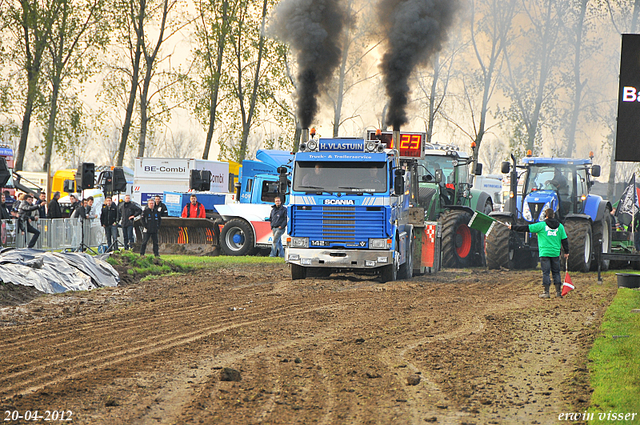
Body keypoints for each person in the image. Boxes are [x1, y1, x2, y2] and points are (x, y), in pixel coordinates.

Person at [509, 208, 569, 298]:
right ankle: (558, 292)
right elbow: (564, 240)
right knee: (556, 272)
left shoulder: (541, 225)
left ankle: (546, 292)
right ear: (553, 215)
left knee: (546, 272)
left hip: (544, 253)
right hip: (555, 253)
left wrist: (512, 227)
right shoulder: (560, 226)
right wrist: (566, 252)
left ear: (546, 215)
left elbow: (526, 228)